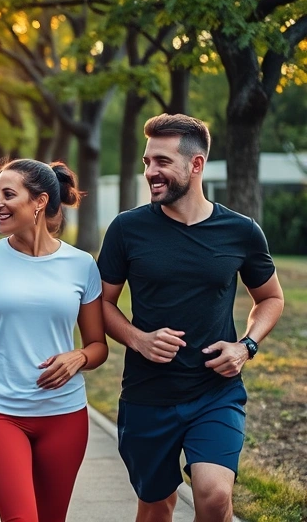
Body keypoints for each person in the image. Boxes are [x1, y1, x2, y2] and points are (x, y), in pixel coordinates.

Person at [98, 114, 284, 522]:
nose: (151, 172)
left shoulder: (241, 231)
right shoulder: (127, 230)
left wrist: (246, 345)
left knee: (214, 496)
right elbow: (100, 305)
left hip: (215, 391)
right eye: (148, 162)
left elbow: (270, 298)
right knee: (156, 506)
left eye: (162, 162)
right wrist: (137, 339)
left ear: (195, 165)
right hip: (148, 395)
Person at [0, 159, 108, 522]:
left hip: (65, 416)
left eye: (8, 194)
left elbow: (98, 344)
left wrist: (79, 358)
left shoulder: (81, 264)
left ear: (38, 201)